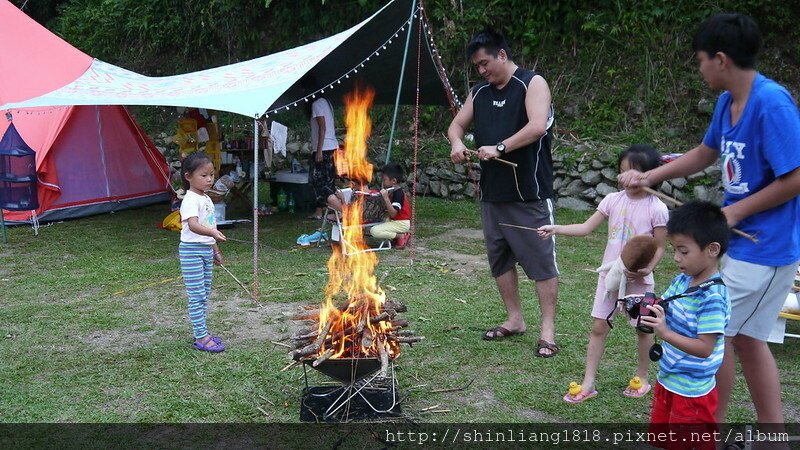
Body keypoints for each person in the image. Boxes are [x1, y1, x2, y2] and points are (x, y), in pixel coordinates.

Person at [618, 13, 800, 433]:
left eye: (700, 60)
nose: (699, 69)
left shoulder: (770, 103)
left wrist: (736, 211)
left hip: (765, 248)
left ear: (720, 59)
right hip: (737, 244)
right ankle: (770, 435)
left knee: (720, 338)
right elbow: (705, 153)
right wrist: (650, 176)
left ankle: (707, 431)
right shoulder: (727, 102)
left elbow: (795, 177)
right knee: (750, 341)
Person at [447, 29, 559, 356]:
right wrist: (456, 143)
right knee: (499, 259)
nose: (481, 71)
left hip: (529, 192)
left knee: (540, 261)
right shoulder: (479, 93)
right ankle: (515, 319)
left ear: (502, 55)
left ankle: (547, 330)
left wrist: (500, 147)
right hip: (492, 194)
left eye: (485, 63)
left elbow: (538, 125)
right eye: (476, 67)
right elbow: (456, 126)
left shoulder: (531, 83)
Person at [537, 144, 668, 403]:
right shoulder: (612, 200)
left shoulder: (657, 208)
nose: (626, 178)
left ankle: (642, 376)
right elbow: (586, 228)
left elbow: (660, 246)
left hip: (639, 281)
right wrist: (557, 228)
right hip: (610, 277)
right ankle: (588, 382)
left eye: (634, 172)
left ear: (651, 175)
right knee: (599, 327)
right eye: (622, 172)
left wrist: (647, 268)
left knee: (643, 329)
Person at [642, 201, 730, 449]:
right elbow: (666, 305)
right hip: (669, 378)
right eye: (674, 249)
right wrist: (645, 308)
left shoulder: (712, 298)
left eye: (683, 251)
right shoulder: (683, 280)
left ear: (712, 249)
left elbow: (705, 348)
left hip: (691, 391)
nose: (676, 257)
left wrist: (665, 333)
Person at [179, 152, 227, 353]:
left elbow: (208, 225)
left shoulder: (205, 198)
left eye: (211, 175)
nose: (209, 179)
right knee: (197, 295)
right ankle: (201, 336)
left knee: (204, 293)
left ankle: (202, 331)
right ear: (188, 176)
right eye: (203, 175)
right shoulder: (190, 199)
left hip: (206, 250)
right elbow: (194, 226)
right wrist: (212, 233)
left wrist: (215, 249)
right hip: (191, 252)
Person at [301, 75, 339, 220]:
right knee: (328, 179)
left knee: (316, 180)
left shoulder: (316, 104)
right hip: (331, 145)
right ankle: (330, 209)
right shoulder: (326, 102)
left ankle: (320, 211)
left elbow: (322, 128)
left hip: (324, 147)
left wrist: (318, 150)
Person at [369, 163, 411, 249]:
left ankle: (400, 236)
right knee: (377, 222)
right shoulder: (392, 191)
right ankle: (396, 236)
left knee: (374, 231)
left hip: (401, 223)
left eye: (384, 180)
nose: (383, 182)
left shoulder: (398, 193)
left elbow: (393, 214)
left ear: (393, 181)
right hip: (394, 221)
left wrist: (386, 198)